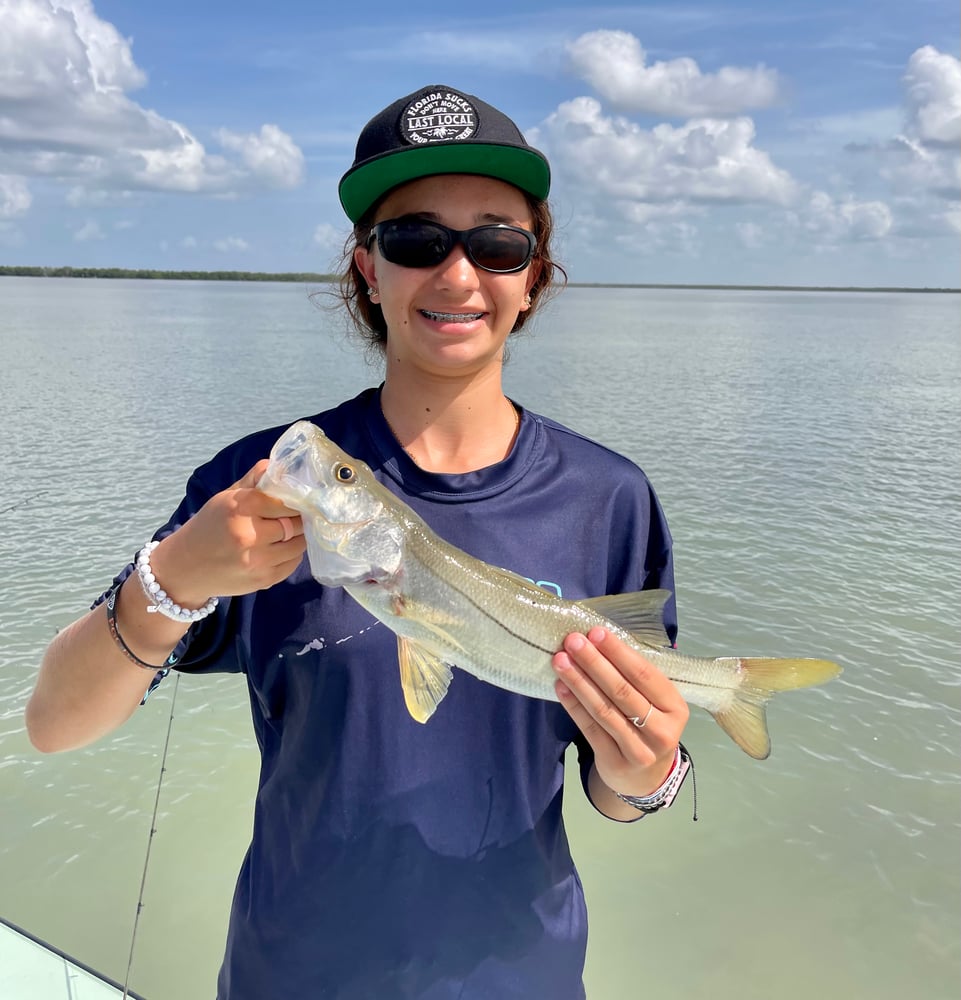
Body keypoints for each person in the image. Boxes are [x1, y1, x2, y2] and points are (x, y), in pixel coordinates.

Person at [26, 84, 691, 999]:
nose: (458, 275)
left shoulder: (606, 499)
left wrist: (646, 771)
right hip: (293, 973)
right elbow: (56, 725)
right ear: (367, 270)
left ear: (533, 275)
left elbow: (618, 790)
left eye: (498, 243)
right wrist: (176, 573)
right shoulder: (256, 492)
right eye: (416, 240)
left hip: (520, 973)